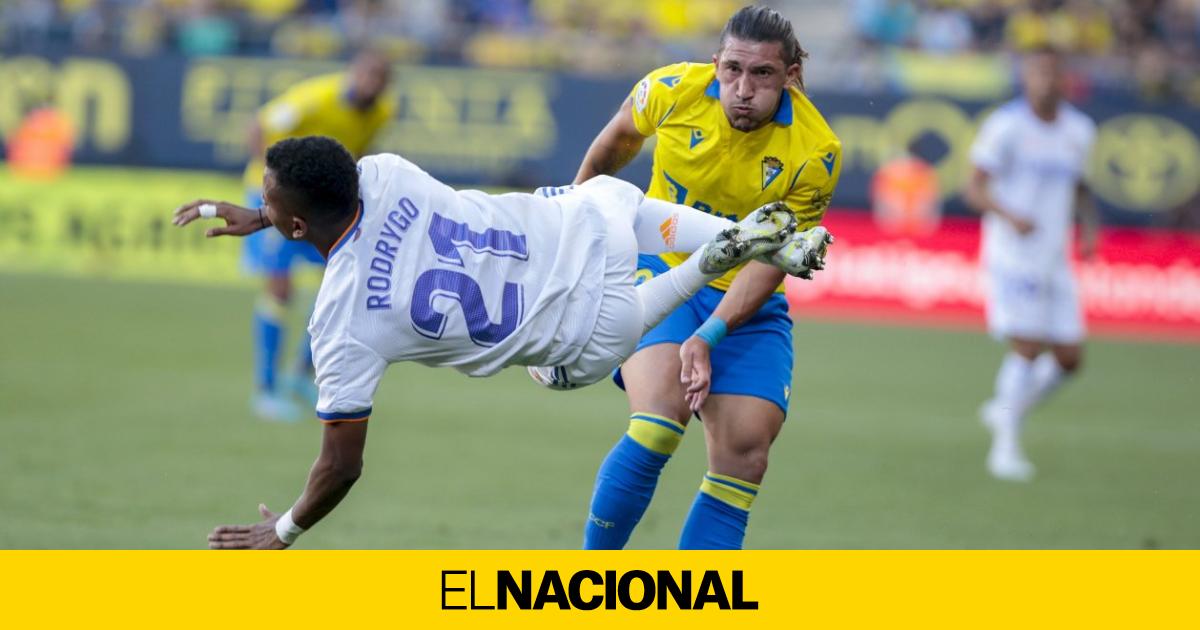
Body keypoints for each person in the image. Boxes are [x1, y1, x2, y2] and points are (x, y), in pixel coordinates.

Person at [172, 135, 834, 549]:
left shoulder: (341, 324)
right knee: (622, 208)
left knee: (565, 367)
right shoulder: (382, 173)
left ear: (293, 224)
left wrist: (283, 529)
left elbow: (340, 467)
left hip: (582, 325)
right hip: (582, 220)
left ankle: (714, 260)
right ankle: (737, 237)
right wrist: (268, 214)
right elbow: (321, 190)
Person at [572, 5, 843, 550]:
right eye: (732, 71)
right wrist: (574, 245)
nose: (743, 88)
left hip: (744, 304)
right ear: (715, 63)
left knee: (745, 456)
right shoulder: (669, 90)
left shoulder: (816, 153)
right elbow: (611, 148)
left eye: (762, 75)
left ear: (790, 76)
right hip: (658, 274)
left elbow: (771, 260)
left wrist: (710, 334)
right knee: (657, 424)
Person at [965, 47, 1099, 482]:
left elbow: (1080, 186)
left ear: (1064, 79)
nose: (1044, 82)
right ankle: (1004, 445)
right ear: (1025, 79)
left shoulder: (1079, 131)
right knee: (1027, 346)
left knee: (1069, 358)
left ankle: (1006, 407)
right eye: (1036, 73)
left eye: (1051, 73)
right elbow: (974, 188)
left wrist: (1090, 230)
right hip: (1011, 253)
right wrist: (1009, 215)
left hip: (1053, 257)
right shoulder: (1006, 126)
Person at [241, 49, 394, 421]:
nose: (371, 84)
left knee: (341, 282)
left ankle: (299, 373)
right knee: (279, 288)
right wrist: (277, 184)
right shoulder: (314, 98)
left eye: (379, 79)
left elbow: (359, 152)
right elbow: (259, 127)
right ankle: (265, 388)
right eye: (366, 75)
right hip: (277, 200)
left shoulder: (381, 111)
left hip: (320, 205)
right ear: (353, 72)